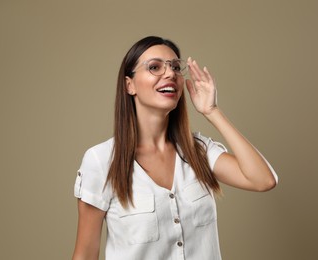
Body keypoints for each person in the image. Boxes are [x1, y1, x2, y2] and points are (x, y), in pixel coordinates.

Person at [72, 36, 278, 260]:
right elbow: (85, 255)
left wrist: (212, 112)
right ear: (129, 85)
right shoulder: (101, 161)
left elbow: (263, 180)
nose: (170, 74)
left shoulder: (198, 151)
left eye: (176, 68)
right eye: (154, 67)